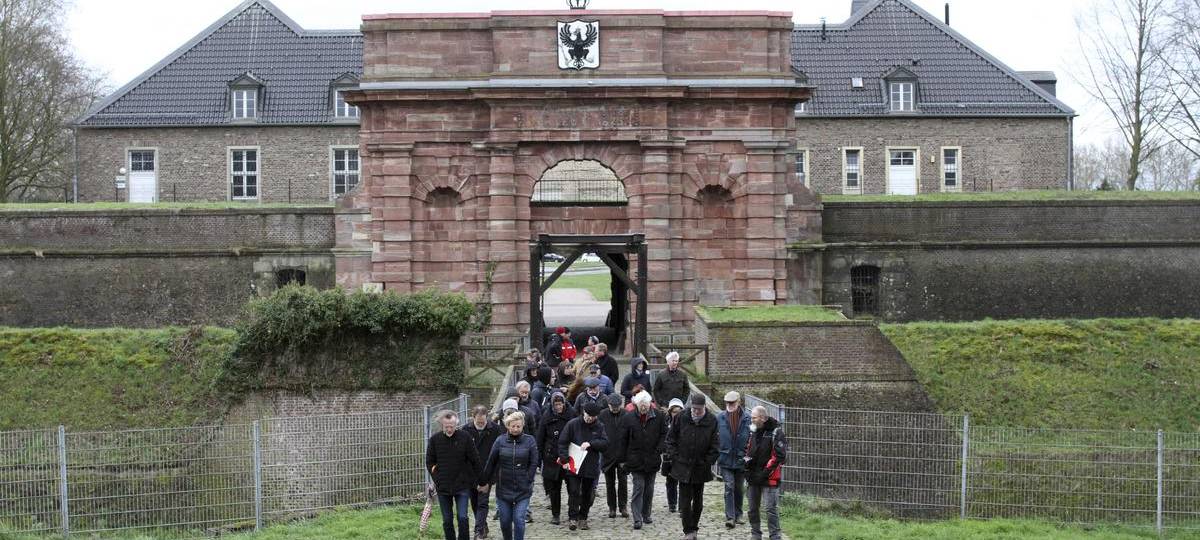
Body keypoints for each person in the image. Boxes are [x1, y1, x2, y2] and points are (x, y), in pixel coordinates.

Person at [665, 394, 718, 540]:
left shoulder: (711, 420)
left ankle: (694, 527)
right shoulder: (681, 417)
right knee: (685, 501)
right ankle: (688, 530)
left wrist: (708, 461)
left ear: (704, 408)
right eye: (694, 408)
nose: (696, 411)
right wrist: (675, 456)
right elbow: (670, 439)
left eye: (699, 409)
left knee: (698, 501)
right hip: (682, 465)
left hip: (701, 466)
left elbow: (715, 444)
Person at [479, 412, 539, 540]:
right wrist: (484, 482)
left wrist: (528, 478)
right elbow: (491, 462)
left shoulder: (530, 441)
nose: (515, 429)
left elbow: (534, 462)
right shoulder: (500, 441)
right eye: (513, 426)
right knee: (505, 521)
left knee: (519, 519)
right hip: (504, 487)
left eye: (518, 426)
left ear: (522, 426)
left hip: (523, 488)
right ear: (507, 426)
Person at [426, 410, 483, 540]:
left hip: (462, 485)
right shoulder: (435, 440)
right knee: (447, 520)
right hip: (443, 486)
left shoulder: (465, 437)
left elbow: (475, 459)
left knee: (462, 517)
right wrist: (437, 478)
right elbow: (430, 462)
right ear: (442, 425)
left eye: (452, 426)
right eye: (446, 426)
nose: (449, 429)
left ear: (456, 424)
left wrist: (482, 480)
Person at [615, 390, 666, 531]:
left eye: (646, 404)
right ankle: (637, 518)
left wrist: (659, 449)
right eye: (641, 404)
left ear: (650, 403)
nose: (643, 407)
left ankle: (646, 514)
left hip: (652, 458)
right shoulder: (629, 417)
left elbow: (664, 435)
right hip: (635, 459)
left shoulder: (659, 416)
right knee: (639, 487)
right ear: (636, 404)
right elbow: (623, 439)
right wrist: (622, 460)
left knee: (649, 489)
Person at [558, 401, 609, 531]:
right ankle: (573, 517)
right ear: (584, 412)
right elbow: (563, 442)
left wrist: (591, 443)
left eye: (593, 416)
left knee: (587, 493)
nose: (590, 418)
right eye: (588, 415)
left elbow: (605, 443)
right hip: (574, 464)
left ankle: (583, 517)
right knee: (574, 491)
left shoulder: (599, 426)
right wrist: (564, 459)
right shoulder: (573, 424)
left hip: (590, 465)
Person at [745, 406, 788, 540]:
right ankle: (755, 534)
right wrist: (745, 464)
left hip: (769, 478)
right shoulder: (752, 431)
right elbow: (747, 450)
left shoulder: (776, 433)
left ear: (763, 418)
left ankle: (775, 535)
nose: (752, 420)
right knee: (752, 508)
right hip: (753, 477)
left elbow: (779, 456)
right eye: (751, 417)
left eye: (754, 417)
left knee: (770, 509)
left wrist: (764, 473)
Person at [535, 391, 574, 525]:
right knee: (554, 488)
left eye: (560, 404)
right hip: (552, 457)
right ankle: (555, 514)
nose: (558, 407)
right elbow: (540, 438)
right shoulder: (546, 417)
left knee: (572, 487)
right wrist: (539, 459)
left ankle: (573, 514)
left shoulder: (571, 415)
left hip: (569, 456)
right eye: (556, 404)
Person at [464, 406, 502, 540]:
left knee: (482, 502)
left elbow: (499, 453)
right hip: (471, 473)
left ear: (487, 418)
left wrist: (494, 474)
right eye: (478, 422)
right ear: (473, 418)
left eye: (483, 422)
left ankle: (478, 531)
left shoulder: (495, 430)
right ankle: (483, 525)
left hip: (487, 472)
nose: (481, 424)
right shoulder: (466, 430)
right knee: (474, 502)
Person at [717, 390, 751, 529]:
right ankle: (730, 517)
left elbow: (752, 438)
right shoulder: (719, 417)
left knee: (738, 487)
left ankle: (738, 514)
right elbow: (714, 436)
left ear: (739, 402)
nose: (729, 405)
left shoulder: (747, 418)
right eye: (727, 402)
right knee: (729, 486)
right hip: (725, 457)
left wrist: (748, 455)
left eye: (732, 402)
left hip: (741, 458)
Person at [598, 394, 628, 519]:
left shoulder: (626, 414)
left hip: (622, 454)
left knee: (623, 482)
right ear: (608, 405)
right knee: (609, 483)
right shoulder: (602, 415)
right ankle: (612, 507)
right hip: (608, 454)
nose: (615, 408)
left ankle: (623, 506)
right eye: (612, 406)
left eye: (617, 406)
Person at [661, 398, 685, 513]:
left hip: (682, 455)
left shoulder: (686, 422)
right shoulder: (665, 423)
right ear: (670, 412)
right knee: (671, 481)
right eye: (674, 412)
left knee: (683, 482)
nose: (676, 414)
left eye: (678, 412)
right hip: (669, 455)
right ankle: (672, 503)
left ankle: (682, 505)